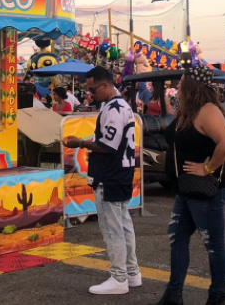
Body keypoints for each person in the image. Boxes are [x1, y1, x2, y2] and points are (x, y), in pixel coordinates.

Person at [157, 64, 225, 305]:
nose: (178, 86)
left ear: (192, 85)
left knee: (213, 244)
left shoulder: (208, 110)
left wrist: (208, 168)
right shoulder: (189, 110)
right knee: (177, 237)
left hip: (207, 188)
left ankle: (217, 297)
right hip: (186, 188)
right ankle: (173, 295)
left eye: (181, 82)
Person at [64, 66, 140, 294]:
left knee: (112, 227)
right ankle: (131, 273)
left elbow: (107, 146)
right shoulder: (120, 106)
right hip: (120, 174)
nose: (89, 94)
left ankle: (119, 278)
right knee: (123, 224)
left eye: (92, 89)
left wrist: (80, 143)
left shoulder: (114, 109)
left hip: (111, 175)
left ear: (105, 86)